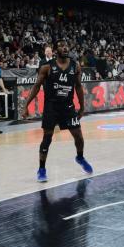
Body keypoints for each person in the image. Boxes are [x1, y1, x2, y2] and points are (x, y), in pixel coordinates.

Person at [22, 39, 91, 182]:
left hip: (68, 106)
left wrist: (82, 106)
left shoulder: (75, 66)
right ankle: (41, 169)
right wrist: (26, 105)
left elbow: (78, 87)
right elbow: (36, 87)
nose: (65, 48)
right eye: (61, 46)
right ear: (55, 50)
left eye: (67, 46)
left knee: (78, 135)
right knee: (47, 138)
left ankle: (80, 157)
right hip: (51, 106)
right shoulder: (47, 67)